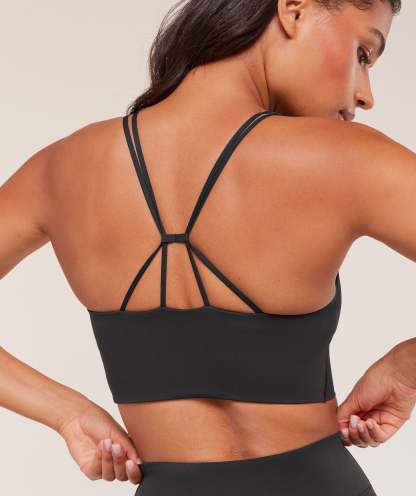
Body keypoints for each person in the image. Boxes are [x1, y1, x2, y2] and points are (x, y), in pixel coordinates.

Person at [1, 0, 415, 495]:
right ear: (294, 9)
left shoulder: (59, 171)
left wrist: (66, 412)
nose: (365, 95)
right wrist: (406, 368)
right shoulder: (348, 159)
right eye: (364, 53)